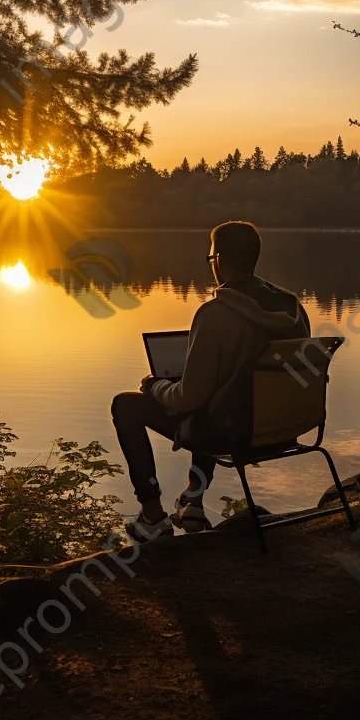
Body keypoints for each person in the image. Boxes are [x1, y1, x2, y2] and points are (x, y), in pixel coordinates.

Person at [111, 220, 309, 543]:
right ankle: (193, 500)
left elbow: (189, 398)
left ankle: (152, 516)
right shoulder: (294, 310)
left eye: (210, 258)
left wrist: (155, 387)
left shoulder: (214, 314)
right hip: (286, 429)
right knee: (220, 393)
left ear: (218, 260)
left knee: (126, 406)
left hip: (236, 433)